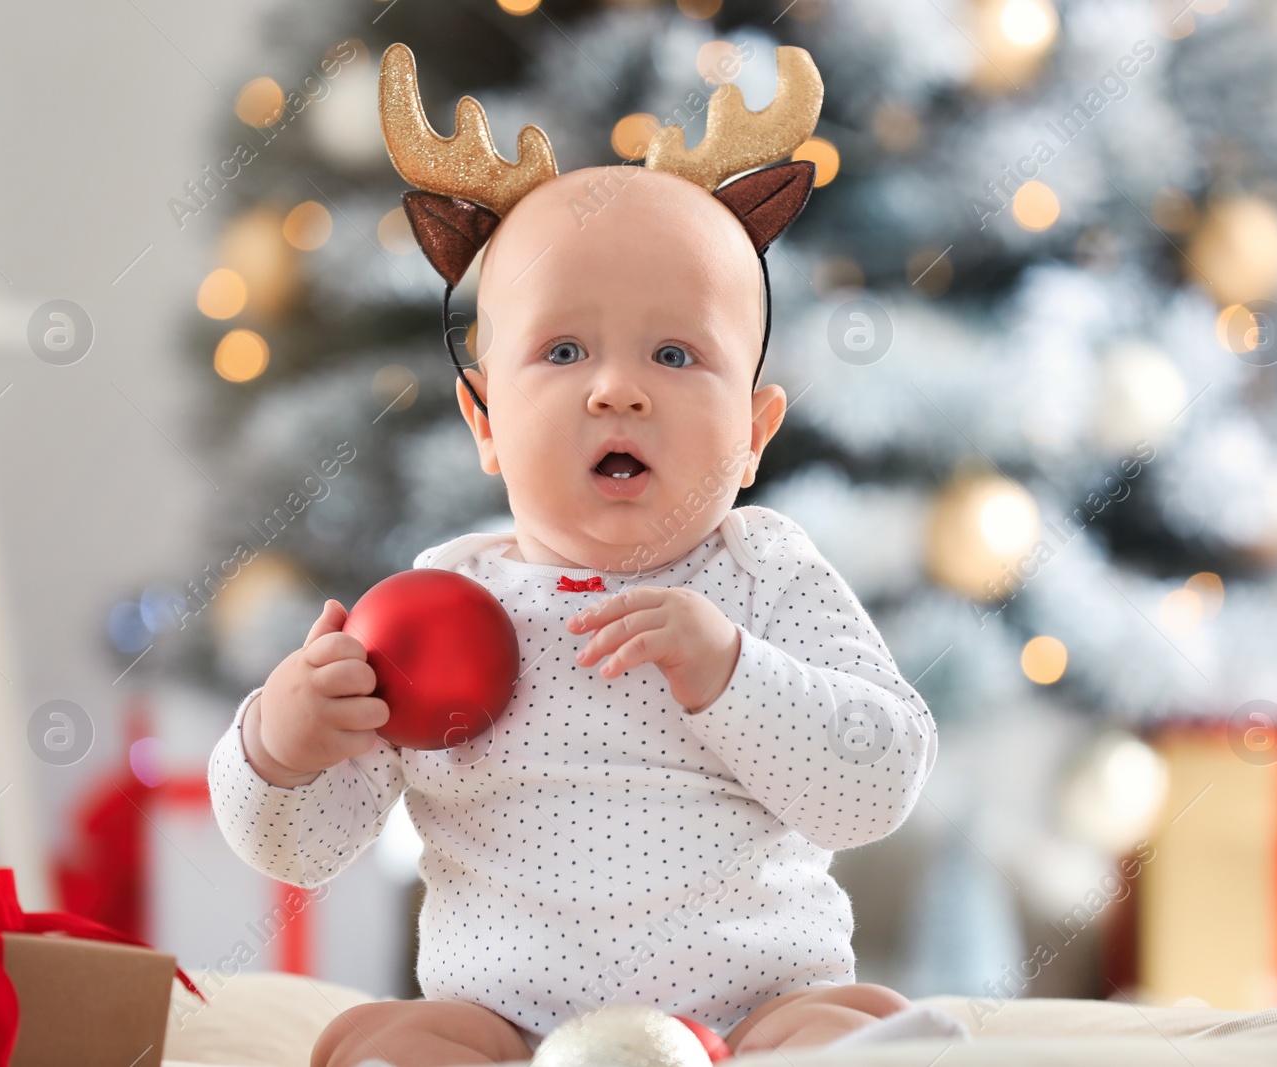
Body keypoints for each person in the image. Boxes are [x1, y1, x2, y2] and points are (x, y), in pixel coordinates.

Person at [207, 43, 939, 1067]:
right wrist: (282, 746)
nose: (616, 390)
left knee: (854, 1029)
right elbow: (302, 846)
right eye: (562, 351)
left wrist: (733, 673)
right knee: (382, 1039)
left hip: (751, 1010)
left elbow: (878, 779)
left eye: (675, 354)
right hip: (506, 1020)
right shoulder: (437, 604)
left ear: (754, 432)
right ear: (484, 418)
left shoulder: (766, 572)